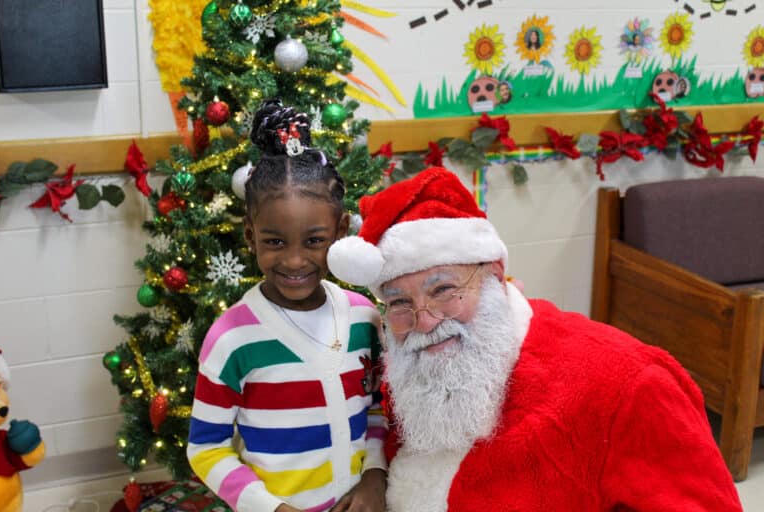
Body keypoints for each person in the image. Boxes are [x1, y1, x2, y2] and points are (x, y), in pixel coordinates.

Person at [327, 167, 743, 512]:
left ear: (493, 277)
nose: (425, 320)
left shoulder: (627, 385)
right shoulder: (405, 376)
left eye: (443, 290)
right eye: (399, 302)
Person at [187, 99, 387, 512]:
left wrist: (374, 476)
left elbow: (378, 410)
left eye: (314, 241)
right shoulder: (231, 337)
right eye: (275, 242)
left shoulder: (364, 317)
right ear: (249, 235)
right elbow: (206, 448)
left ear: (339, 231)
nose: (295, 261)